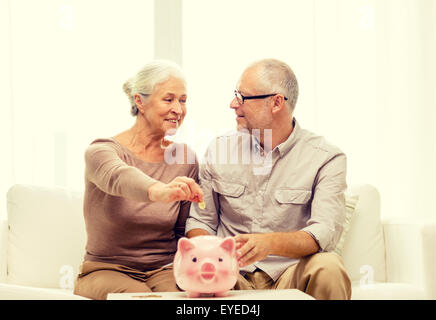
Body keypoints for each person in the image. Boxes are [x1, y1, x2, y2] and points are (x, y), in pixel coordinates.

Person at [185, 58, 352, 300]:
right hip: (230, 275)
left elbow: (323, 232)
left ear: (276, 102)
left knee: (330, 266)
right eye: (235, 95)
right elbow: (201, 221)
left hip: (290, 272)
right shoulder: (220, 150)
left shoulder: (327, 158)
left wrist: (269, 243)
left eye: (243, 97)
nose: (233, 104)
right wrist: (215, 257)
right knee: (196, 275)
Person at [74, 60, 203, 300]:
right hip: (106, 269)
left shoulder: (185, 158)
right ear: (139, 101)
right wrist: (159, 191)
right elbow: (118, 176)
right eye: (169, 99)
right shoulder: (102, 151)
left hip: (164, 269)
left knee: (191, 299)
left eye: (183, 100)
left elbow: (182, 229)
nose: (178, 109)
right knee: (141, 298)